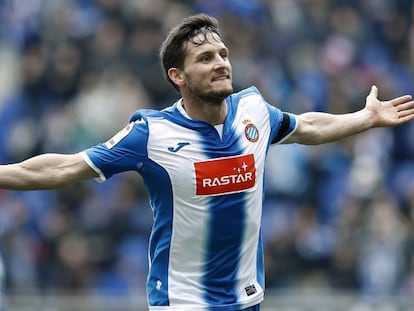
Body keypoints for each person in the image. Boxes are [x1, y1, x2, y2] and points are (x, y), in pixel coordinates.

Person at [1, 13, 414, 311]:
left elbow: (306, 126)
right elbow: (63, 167)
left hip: (247, 300)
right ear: (176, 75)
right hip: (182, 303)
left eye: (222, 53)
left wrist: (365, 118)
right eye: (205, 59)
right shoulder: (151, 133)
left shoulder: (253, 109)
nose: (220, 63)